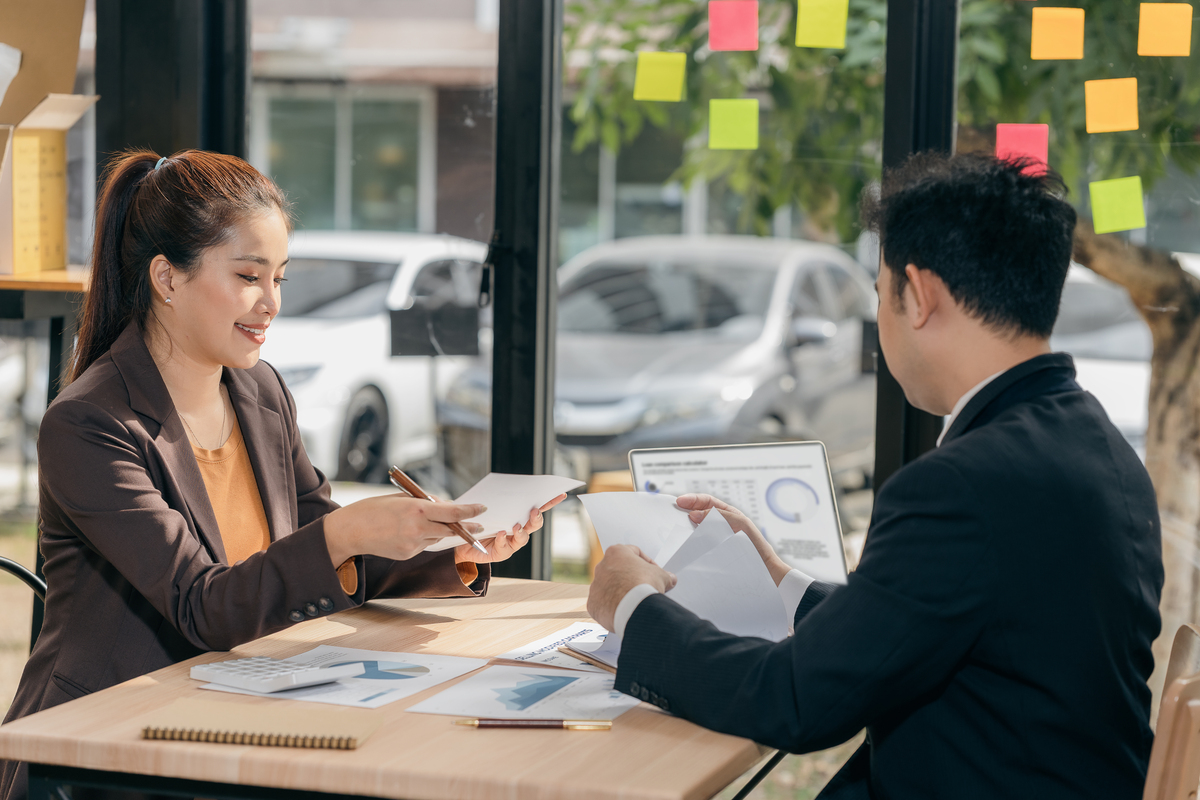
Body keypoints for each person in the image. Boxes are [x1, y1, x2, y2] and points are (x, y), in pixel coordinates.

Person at [587, 152, 1163, 799]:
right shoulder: (1097, 444)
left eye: (878, 293)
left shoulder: (962, 487)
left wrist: (632, 606)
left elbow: (795, 702)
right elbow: (938, 621)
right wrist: (782, 580)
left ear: (916, 296)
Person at [0, 149, 562, 800]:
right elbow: (201, 604)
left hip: (235, 717)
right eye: (248, 276)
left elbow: (319, 541)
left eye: (281, 279)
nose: (270, 304)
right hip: (107, 750)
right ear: (167, 279)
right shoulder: (90, 425)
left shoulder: (258, 390)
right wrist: (342, 535)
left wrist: (448, 548)